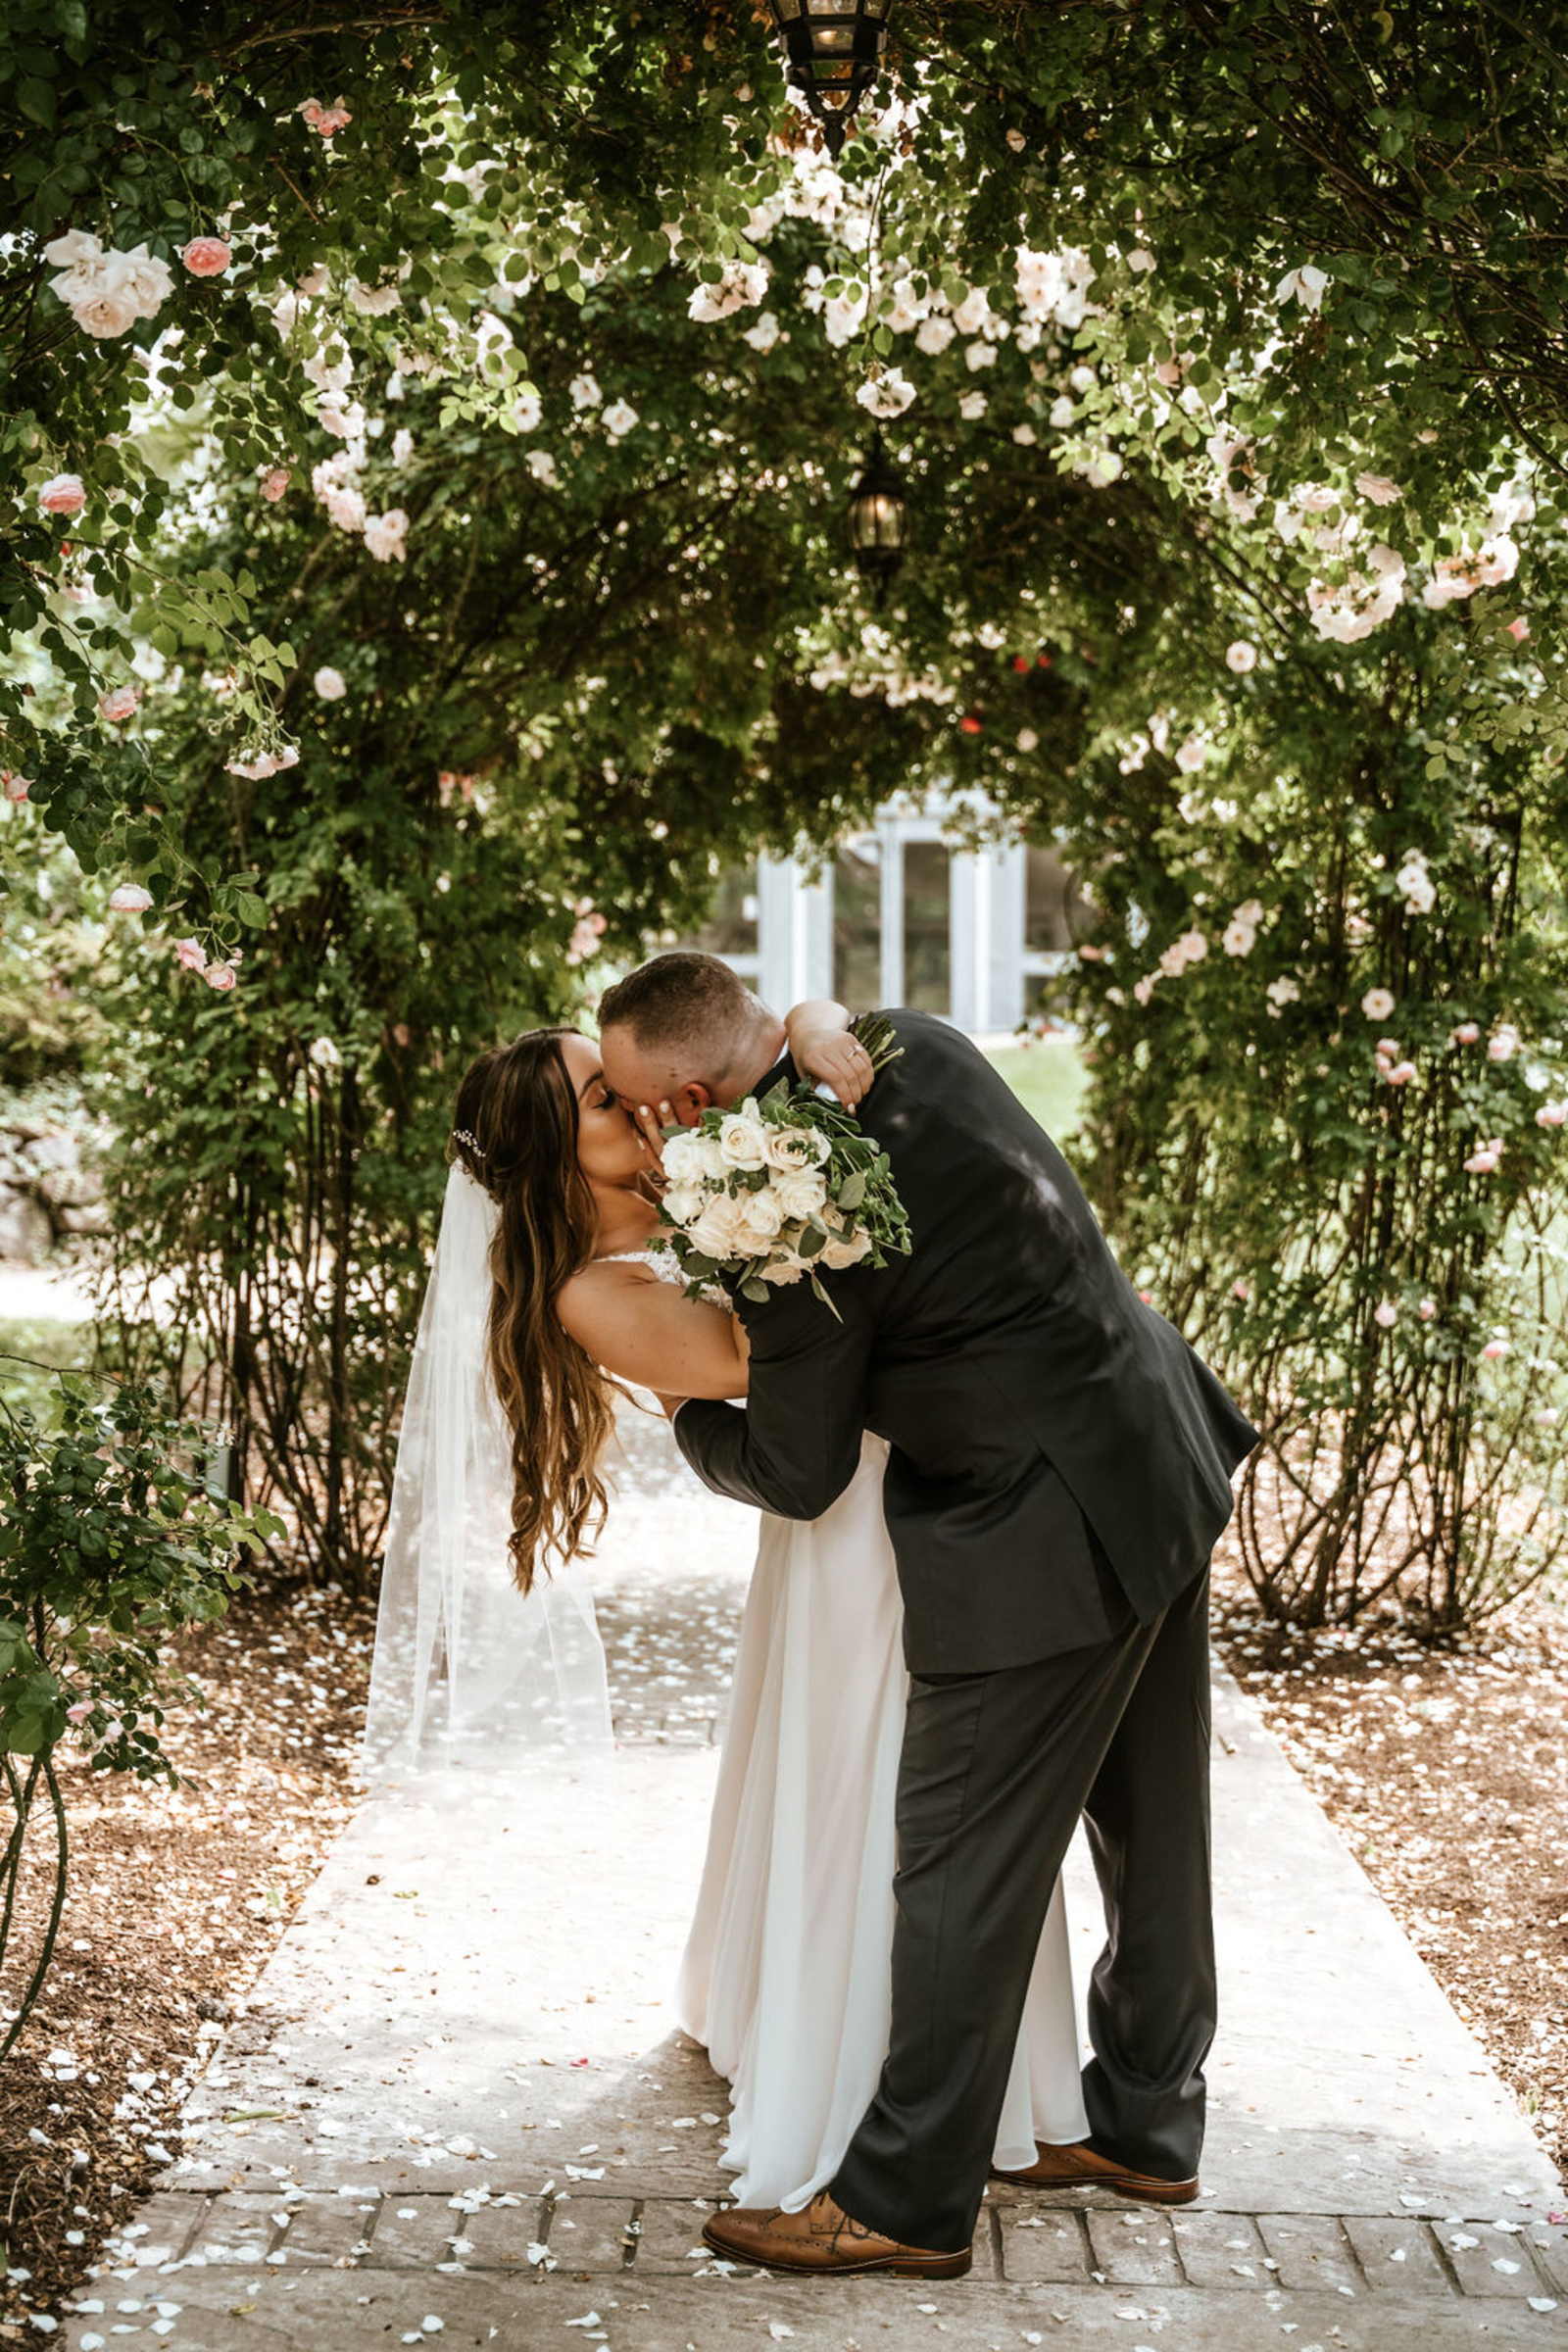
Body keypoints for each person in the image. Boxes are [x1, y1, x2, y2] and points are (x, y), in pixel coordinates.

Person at [597, 951, 1258, 2282]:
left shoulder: (765, 1198)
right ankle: (1147, 2122)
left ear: (677, 1098)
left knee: (956, 1862)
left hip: (1037, 1523)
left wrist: (686, 1421)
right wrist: (812, 1017)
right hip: (1155, 1443)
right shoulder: (908, 1041)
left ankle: (902, 2200)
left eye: (633, 1101)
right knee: (1151, 1820)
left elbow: (801, 1466)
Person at [364, 1004, 1088, 2217]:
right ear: (552, 1160)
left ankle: (970, 2067)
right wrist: (773, 1200)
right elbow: (786, 1359)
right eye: (601, 1102)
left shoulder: (691, 1188)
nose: (635, 1107)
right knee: (886, 1779)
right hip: (850, 1525)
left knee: (911, 1771)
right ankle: (863, 2068)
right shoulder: (591, 1292)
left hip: (894, 1500)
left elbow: (750, 1062)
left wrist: (806, 1024)